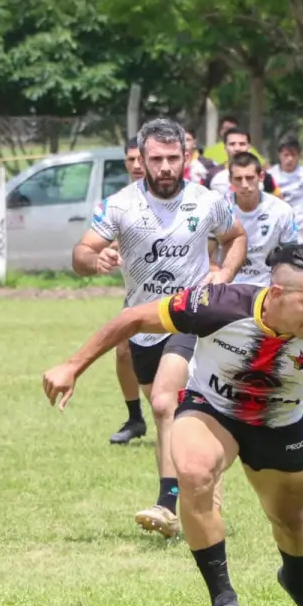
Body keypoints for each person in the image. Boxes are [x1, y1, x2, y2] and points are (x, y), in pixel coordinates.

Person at [42, 244, 303, 606]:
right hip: (211, 409)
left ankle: (295, 578)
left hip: (278, 424)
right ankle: (222, 598)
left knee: (290, 518)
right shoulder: (219, 304)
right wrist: (73, 365)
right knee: (194, 473)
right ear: (276, 294)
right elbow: (132, 318)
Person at [71, 119, 247, 539]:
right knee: (170, 413)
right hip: (141, 324)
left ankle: (168, 503)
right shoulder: (119, 205)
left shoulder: (207, 201)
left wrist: (223, 272)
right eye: (156, 159)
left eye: (173, 158)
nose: (166, 166)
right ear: (142, 161)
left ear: (187, 158)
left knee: (167, 403)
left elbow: (236, 236)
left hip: (191, 316)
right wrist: (92, 261)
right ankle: (202, 487)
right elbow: (81, 252)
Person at [109, 138, 149, 446]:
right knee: (123, 350)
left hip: (177, 294)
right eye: (130, 159)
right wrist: (103, 253)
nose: (136, 165)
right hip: (137, 293)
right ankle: (135, 418)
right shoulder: (120, 201)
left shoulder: (174, 195)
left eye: (140, 158)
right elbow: (104, 239)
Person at [223, 152, 300, 286]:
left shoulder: (282, 210)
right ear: (230, 180)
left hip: (267, 289)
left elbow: (291, 255)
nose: (244, 184)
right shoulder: (218, 209)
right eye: (238, 178)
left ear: (261, 176)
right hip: (227, 289)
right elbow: (207, 256)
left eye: (249, 177)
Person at [269, 135, 303, 246]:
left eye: (293, 155)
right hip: (273, 229)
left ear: (299, 156)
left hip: (298, 229)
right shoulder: (270, 175)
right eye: (286, 155)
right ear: (279, 155)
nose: (290, 159)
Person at [207, 128, 278, 198]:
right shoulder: (211, 174)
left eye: (242, 144)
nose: (237, 148)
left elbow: (278, 199)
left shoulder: (263, 175)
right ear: (225, 148)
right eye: (232, 144)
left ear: (249, 147)